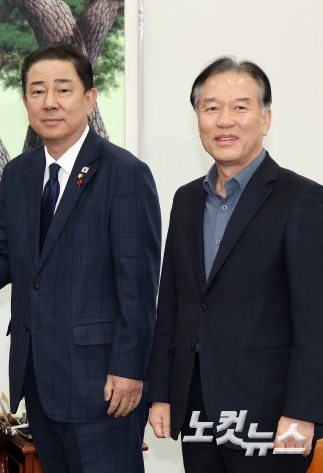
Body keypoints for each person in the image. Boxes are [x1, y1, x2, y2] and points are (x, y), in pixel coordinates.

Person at [0, 43, 161, 473]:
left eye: (63, 89)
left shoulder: (124, 174)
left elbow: (139, 284)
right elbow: (0, 255)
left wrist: (130, 370)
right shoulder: (19, 173)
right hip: (38, 379)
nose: (49, 102)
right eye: (37, 91)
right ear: (25, 102)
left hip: (103, 385)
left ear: (89, 99)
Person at [147, 56, 323, 472]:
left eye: (240, 107)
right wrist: (161, 393)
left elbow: (315, 321)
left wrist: (303, 413)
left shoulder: (302, 199)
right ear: (198, 120)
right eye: (211, 108)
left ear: (266, 119)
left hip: (272, 416)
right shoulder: (186, 199)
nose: (224, 120)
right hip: (198, 409)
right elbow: (172, 304)